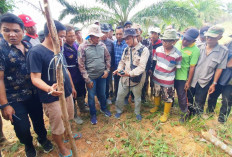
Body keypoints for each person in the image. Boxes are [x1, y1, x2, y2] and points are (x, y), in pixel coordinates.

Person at [0, 13, 53, 157]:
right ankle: (28, 145)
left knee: (39, 120)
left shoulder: (28, 45)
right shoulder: (1, 50)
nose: (12, 34)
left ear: (23, 31)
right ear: (1, 30)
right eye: (6, 30)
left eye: (16, 30)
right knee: (22, 127)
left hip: (34, 93)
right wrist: (4, 105)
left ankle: (42, 139)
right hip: (14, 98)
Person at [28, 20, 80, 157]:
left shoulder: (59, 49)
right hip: (51, 97)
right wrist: (49, 89)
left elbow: (65, 70)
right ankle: (62, 148)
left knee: (68, 116)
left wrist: (72, 86)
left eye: (64, 36)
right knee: (57, 123)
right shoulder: (36, 52)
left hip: (66, 92)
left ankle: (67, 134)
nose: (63, 39)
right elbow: (35, 78)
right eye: (61, 36)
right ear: (51, 34)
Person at [188, 25, 228, 115]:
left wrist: (214, 84)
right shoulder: (198, 47)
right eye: (208, 36)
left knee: (199, 102)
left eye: (212, 37)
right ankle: (187, 114)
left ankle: (196, 119)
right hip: (192, 79)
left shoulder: (223, 51)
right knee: (188, 99)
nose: (208, 38)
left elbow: (219, 68)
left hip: (204, 81)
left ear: (219, 37)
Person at [78, 24, 112, 125]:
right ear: (91, 36)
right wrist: (87, 80)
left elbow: (108, 58)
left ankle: (103, 108)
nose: (99, 38)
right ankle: (93, 114)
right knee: (91, 97)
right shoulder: (83, 47)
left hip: (102, 76)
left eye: (99, 36)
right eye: (96, 36)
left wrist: (107, 70)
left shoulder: (102, 45)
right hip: (91, 77)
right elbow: (81, 65)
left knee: (102, 94)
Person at [113, 28, 149, 121]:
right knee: (120, 95)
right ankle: (119, 110)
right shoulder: (126, 49)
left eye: (128, 38)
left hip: (137, 79)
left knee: (137, 97)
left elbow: (141, 67)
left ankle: (137, 113)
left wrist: (129, 73)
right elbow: (122, 61)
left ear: (134, 37)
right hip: (125, 78)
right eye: (125, 39)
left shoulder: (144, 50)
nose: (126, 41)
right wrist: (119, 69)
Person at [151, 29, 182, 122]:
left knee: (168, 97)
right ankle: (156, 106)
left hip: (168, 80)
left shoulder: (177, 54)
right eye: (164, 40)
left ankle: (165, 114)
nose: (165, 43)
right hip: (156, 77)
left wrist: (167, 73)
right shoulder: (158, 49)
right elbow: (155, 61)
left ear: (174, 41)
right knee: (156, 93)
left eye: (168, 41)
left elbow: (177, 67)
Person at [63, 25, 88, 125]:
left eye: (73, 35)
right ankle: (74, 115)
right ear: (64, 36)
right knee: (73, 95)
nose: (72, 38)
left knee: (81, 92)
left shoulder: (76, 45)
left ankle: (82, 108)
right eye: (70, 36)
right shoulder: (63, 48)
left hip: (79, 74)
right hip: (71, 76)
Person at [174, 28, 200, 122]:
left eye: (188, 40)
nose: (184, 41)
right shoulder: (178, 43)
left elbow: (192, 67)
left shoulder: (195, 50)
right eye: (184, 38)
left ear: (193, 40)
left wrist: (188, 82)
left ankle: (185, 113)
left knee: (181, 95)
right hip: (172, 73)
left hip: (182, 76)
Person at [207, 40, 232, 123]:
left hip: (230, 82)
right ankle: (210, 112)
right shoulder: (227, 45)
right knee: (213, 95)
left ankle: (222, 120)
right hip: (219, 76)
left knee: (227, 100)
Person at [100, 23, 115, 105]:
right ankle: (100, 98)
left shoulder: (111, 43)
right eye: (103, 32)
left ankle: (106, 97)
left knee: (107, 83)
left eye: (106, 32)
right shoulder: (96, 41)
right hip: (98, 67)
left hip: (107, 67)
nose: (104, 34)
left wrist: (111, 67)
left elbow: (112, 55)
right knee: (99, 84)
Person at [113, 26, 128, 102]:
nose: (118, 36)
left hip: (124, 69)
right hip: (116, 68)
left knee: (124, 84)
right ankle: (116, 96)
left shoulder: (127, 44)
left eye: (120, 34)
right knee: (116, 83)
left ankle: (125, 98)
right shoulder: (114, 43)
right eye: (117, 34)